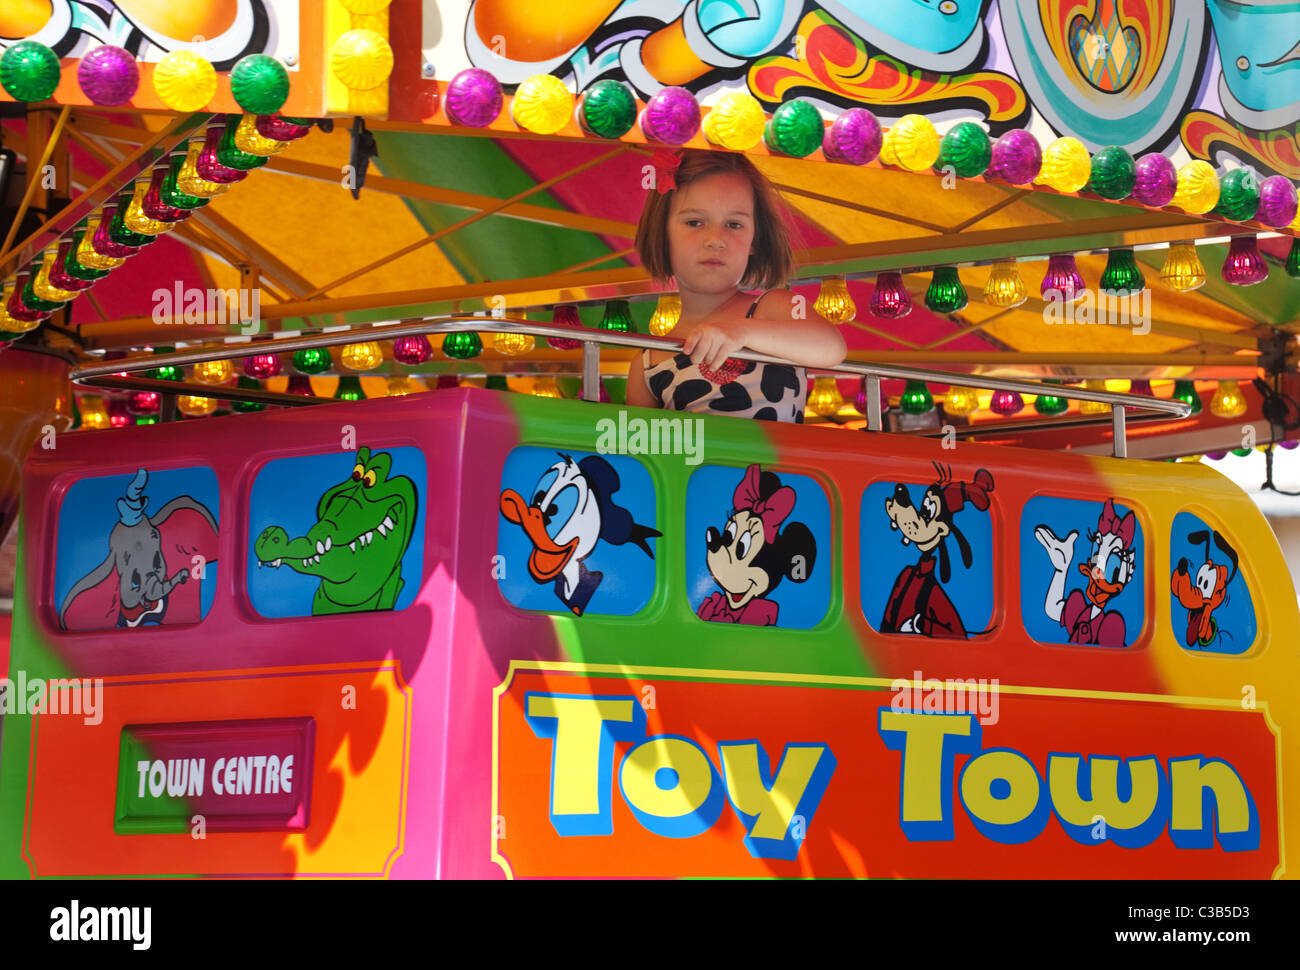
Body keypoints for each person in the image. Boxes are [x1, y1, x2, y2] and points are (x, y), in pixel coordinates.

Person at [625, 149, 846, 421]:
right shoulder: (648, 364)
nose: (715, 239)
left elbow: (831, 347)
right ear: (662, 233)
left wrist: (742, 331)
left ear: (755, 240)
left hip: (773, 463)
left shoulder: (773, 307)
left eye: (734, 224)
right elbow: (639, 453)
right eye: (695, 222)